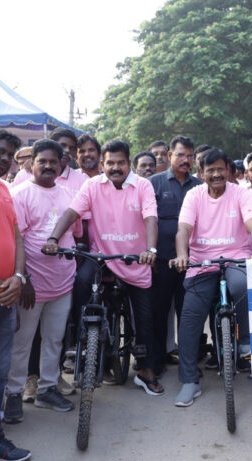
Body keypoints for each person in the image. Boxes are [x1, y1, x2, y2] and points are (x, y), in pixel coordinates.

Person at [43, 139, 163, 395]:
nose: (115, 167)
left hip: (135, 260)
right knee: (82, 283)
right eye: (110, 163)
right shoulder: (92, 185)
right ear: (102, 164)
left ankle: (145, 369)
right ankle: (81, 342)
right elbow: (71, 213)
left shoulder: (142, 185)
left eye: (120, 162)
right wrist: (53, 238)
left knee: (144, 316)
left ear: (128, 164)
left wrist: (150, 250)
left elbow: (150, 218)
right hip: (102, 257)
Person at [171, 148, 252, 407]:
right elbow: (183, 230)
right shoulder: (194, 196)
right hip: (202, 263)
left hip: (236, 258)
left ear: (229, 171)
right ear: (201, 173)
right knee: (191, 317)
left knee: (244, 286)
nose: (216, 174)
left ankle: (245, 339)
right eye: (209, 169)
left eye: (220, 169)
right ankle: (189, 381)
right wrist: (182, 254)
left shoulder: (241, 194)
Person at [3, 139, 80, 422]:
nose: (48, 166)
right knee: (22, 343)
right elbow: (15, 241)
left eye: (53, 161)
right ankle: (13, 395)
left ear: (62, 164)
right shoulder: (19, 194)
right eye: (42, 161)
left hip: (63, 283)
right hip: (31, 287)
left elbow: (76, 233)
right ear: (31, 163)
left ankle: (48, 389)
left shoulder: (70, 194)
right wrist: (25, 279)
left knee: (54, 340)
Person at [0, 115, 31, 461]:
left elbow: (16, 236)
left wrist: (17, 277)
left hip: (1, 299)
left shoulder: (0, 186)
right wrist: (3, 286)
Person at [149, 136, 202, 376]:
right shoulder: (153, 184)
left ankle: (188, 362)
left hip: (192, 261)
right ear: (170, 155)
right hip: (162, 260)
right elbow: (146, 222)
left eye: (190, 156)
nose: (186, 160)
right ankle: (157, 359)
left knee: (188, 314)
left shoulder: (200, 186)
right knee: (159, 313)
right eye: (181, 154)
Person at [51, 129, 88, 195]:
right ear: (50, 146)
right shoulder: (32, 175)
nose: (67, 150)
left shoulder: (83, 180)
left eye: (71, 148)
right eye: (62, 145)